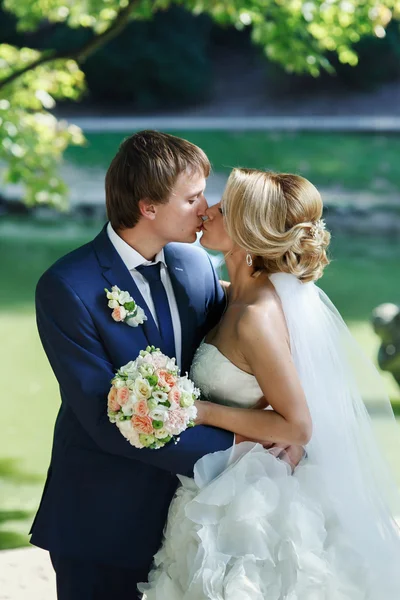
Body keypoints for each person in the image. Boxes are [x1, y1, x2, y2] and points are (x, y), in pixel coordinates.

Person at [139, 169, 400, 599]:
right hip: (223, 478)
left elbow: (298, 427)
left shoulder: (256, 318)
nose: (208, 212)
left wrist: (199, 411)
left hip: (254, 504)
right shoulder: (234, 294)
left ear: (245, 231)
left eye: (222, 209)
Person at [30, 131, 254, 600]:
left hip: (191, 522)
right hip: (102, 522)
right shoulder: (67, 287)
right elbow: (104, 421)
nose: (206, 208)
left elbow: (227, 361)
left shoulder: (196, 266)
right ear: (149, 206)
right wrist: (241, 451)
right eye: (192, 198)